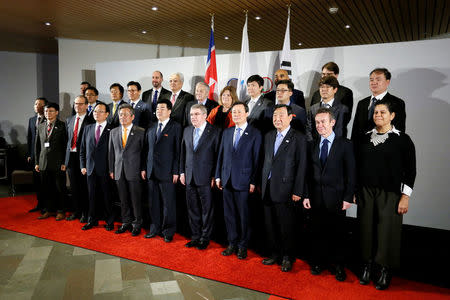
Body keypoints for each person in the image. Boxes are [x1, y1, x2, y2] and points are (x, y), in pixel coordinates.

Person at [356, 99, 416, 290]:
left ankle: (384, 269)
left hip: (390, 194)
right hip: (366, 192)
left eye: (383, 112)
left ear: (392, 116)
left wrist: (405, 197)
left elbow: (411, 171)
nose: (378, 115)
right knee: (366, 230)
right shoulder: (364, 138)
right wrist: (356, 191)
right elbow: (357, 167)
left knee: (386, 232)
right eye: (375, 112)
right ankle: (367, 265)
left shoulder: (403, 140)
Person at [303, 107, 356, 281]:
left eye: (323, 122)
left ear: (332, 122)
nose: (319, 125)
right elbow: (307, 174)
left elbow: (351, 173)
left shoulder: (345, 144)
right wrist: (306, 195)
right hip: (316, 197)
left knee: (338, 234)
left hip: (337, 199)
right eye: (317, 122)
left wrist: (348, 197)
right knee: (317, 232)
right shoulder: (311, 145)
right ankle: (318, 262)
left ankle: (338, 265)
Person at [260, 104, 307, 272]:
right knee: (270, 224)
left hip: (286, 190)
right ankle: (274, 254)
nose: (277, 119)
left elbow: (302, 166)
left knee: (286, 226)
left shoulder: (299, 138)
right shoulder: (268, 136)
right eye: (274, 115)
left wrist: (298, 191)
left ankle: (288, 257)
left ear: (290, 117)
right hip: (267, 188)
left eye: (281, 115)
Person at [215, 102, 262, 259]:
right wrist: (218, 175)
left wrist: (254, 181)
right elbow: (221, 156)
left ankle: (243, 245)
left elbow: (257, 160)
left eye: (239, 112)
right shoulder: (227, 133)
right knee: (229, 215)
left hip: (244, 181)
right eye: (233, 112)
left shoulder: (255, 133)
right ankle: (232, 243)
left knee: (243, 215)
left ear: (247, 113)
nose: (235, 114)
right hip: (227, 180)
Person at [180, 104, 221, 248]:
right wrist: (182, 172)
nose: (193, 117)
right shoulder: (187, 130)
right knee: (192, 209)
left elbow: (218, 156)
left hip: (206, 177)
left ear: (205, 116)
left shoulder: (215, 132)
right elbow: (183, 153)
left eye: (197, 114)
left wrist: (214, 176)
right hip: (189, 176)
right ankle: (195, 236)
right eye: (191, 114)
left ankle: (205, 238)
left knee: (206, 210)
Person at [142, 99, 182, 242]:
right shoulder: (152, 127)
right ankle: (154, 228)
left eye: (163, 108)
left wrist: (176, 171)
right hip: (151, 171)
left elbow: (178, 151)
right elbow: (146, 150)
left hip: (168, 172)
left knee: (168, 203)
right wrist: (143, 168)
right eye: (157, 108)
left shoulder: (176, 127)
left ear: (170, 111)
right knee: (153, 203)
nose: (159, 111)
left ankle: (168, 231)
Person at [109, 104, 146, 236]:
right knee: (123, 199)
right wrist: (111, 170)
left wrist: (143, 168)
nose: (122, 117)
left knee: (135, 199)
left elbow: (144, 153)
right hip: (119, 171)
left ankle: (137, 224)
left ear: (132, 116)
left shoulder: (140, 131)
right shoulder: (113, 132)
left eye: (125, 114)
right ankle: (126, 222)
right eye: (120, 115)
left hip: (134, 170)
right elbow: (111, 153)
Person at [80, 102, 115, 231]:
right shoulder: (88, 128)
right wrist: (83, 165)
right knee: (91, 196)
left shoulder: (112, 129)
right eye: (95, 111)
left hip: (105, 169)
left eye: (100, 111)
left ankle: (109, 221)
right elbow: (82, 149)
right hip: (90, 169)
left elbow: (114, 152)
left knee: (107, 196)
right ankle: (92, 220)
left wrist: (112, 169)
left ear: (106, 114)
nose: (97, 114)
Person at [351, 68, 406, 142]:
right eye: (371, 80)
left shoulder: (397, 102)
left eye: (378, 79)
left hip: (384, 148)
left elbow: (399, 130)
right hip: (361, 148)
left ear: (387, 82)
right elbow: (355, 129)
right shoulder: (362, 103)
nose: (374, 82)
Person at [35, 102, 68, 221]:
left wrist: (65, 162)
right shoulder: (41, 126)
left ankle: (61, 211)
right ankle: (49, 210)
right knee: (47, 188)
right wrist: (37, 162)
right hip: (43, 162)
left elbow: (66, 146)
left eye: (51, 111)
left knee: (60, 188)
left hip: (58, 163)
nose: (48, 113)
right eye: (46, 111)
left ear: (57, 112)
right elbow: (37, 146)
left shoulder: (63, 126)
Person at [64, 95, 94, 222]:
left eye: (81, 104)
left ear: (87, 105)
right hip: (71, 157)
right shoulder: (69, 120)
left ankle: (86, 213)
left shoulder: (91, 120)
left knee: (84, 187)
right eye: (76, 104)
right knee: (74, 187)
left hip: (84, 158)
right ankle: (76, 211)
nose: (78, 106)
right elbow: (67, 140)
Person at [307, 76, 350, 141]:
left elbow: (340, 131)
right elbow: (309, 129)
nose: (324, 90)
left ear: (335, 89)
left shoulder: (343, 109)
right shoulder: (312, 109)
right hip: (316, 146)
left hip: (335, 146)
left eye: (327, 87)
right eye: (322, 87)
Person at [27, 97, 47, 213]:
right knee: (37, 182)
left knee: (45, 182)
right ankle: (39, 204)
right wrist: (30, 153)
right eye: (35, 104)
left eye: (39, 104)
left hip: (45, 155)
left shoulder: (49, 118)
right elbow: (30, 138)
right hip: (34, 156)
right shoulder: (31, 119)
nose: (36, 106)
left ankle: (47, 205)